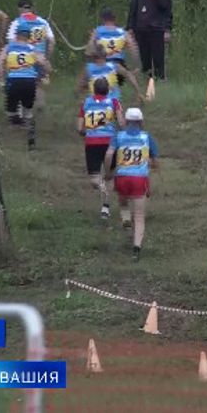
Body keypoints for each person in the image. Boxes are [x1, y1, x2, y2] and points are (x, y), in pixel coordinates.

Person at [104, 107, 158, 261]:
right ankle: (136, 248)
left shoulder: (118, 136)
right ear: (141, 121)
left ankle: (126, 219)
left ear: (126, 121)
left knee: (123, 201)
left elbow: (109, 154)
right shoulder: (146, 137)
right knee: (140, 215)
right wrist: (152, 165)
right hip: (139, 178)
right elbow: (154, 161)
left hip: (122, 177)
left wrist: (108, 172)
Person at [0, 27, 52, 150]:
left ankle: (13, 129)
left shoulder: (9, 47)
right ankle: (30, 131)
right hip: (29, 82)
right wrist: (46, 74)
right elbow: (44, 63)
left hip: (14, 81)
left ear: (16, 36)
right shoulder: (32, 49)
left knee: (11, 110)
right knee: (27, 110)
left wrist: (1, 79)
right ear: (28, 37)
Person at [78, 77, 125, 220]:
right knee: (109, 176)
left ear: (94, 89)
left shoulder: (85, 103)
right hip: (110, 142)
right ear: (108, 90)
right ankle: (106, 199)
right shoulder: (114, 102)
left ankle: (105, 205)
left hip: (91, 143)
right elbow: (122, 123)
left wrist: (87, 131)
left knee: (94, 179)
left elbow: (79, 128)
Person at [7, 0, 55, 111]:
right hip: (40, 57)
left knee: (19, 84)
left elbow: (11, 42)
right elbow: (52, 41)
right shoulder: (43, 22)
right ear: (32, 8)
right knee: (37, 84)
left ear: (19, 9)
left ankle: (23, 113)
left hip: (23, 58)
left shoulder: (17, 22)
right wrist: (47, 58)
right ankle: (40, 108)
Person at [127, 0, 173, 80]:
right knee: (144, 59)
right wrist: (131, 27)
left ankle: (160, 80)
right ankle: (147, 80)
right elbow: (133, 8)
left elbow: (167, 8)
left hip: (157, 28)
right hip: (141, 29)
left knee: (158, 58)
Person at [88, 7, 140, 87]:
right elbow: (133, 48)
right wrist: (136, 65)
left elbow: (91, 46)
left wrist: (93, 58)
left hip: (103, 63)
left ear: (103, 19)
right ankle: (139, 94)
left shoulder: (98, 31)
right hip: (119, 63)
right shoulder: (122, 32)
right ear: (114, 19)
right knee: (127, 75)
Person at [76, 45, 144, 104]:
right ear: (106, 55)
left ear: (93, 56)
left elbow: (80, 85)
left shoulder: (89, 68)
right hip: (113, 100)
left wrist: (80, 96)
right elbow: (129, 75)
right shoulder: (114, 66)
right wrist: (138, 92)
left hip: (96, 101)